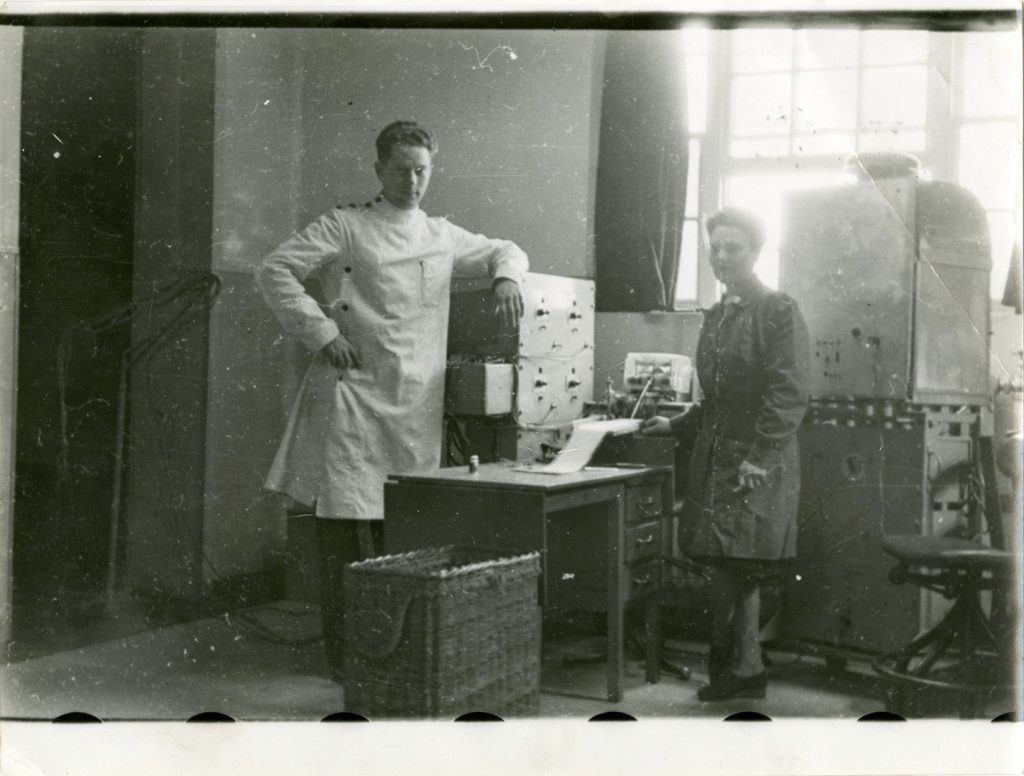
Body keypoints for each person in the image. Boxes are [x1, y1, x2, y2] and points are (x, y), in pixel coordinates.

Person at [255, 120, 528, 683]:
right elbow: (274, 268)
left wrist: (506, 278)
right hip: (354, 399)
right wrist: (322, 334)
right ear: (379, 169)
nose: (412, 181)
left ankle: (394, 650)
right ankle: (345, 659)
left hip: (414, 405)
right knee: (343, 536)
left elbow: (508, 248)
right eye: (401, 169)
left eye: (422, 170)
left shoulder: (441, 233)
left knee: (400, 535)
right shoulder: (347, 225)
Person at [641, 206, 809, 701]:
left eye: (733, 247)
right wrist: (675, 422)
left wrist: (759, 456)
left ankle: (738, 665)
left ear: (756, 252)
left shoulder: (777, 310)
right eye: (715, 247)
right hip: (718, 455)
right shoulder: (716, 316)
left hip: (759, 458)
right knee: (726, 563)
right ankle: (743, 666)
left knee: (740, 564)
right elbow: (715, 398)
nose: (722, 255)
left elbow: (789, 393)